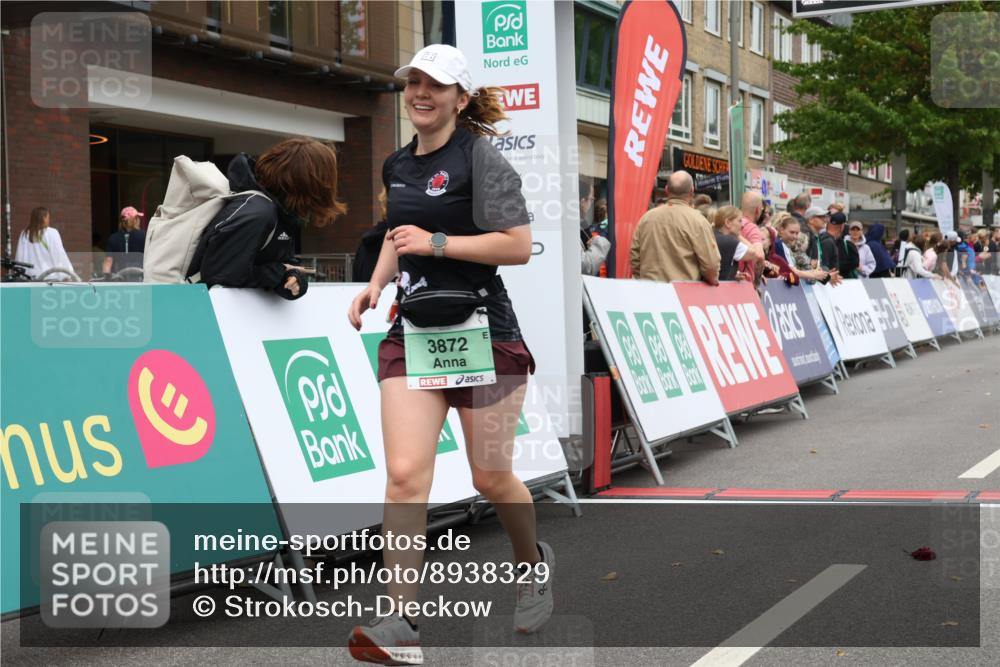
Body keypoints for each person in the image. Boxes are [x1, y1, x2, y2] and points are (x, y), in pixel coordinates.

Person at [346, 44, 551, 665]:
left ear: (461, 99)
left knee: (490, 475)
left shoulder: (482, 159)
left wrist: (438, 243)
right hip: (414, 332)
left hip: (484, 328)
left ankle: (531, 564)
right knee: (407, 475)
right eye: (412, 84)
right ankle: (401, 625)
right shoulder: (396, 164)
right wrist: (378, 281)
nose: (419, 94)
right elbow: (395, 233)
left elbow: (517, 246)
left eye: (435, 86)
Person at [187, 137, 344, 299]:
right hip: (199, 312)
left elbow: (278, 264)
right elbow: (220, 276)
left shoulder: (279, 212)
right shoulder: (258, 212)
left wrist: (294, 279)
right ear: (309, 181)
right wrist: (278, 272)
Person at [630, 170, 720, 284]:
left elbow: (635, 257)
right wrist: (712, 280)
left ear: (667, 190)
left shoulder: (646, 218)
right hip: (683, 294)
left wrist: (644, 279)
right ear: (692, 191)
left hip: (650, 293)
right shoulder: (698, 221)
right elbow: (711, 265)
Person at [770, 212, 833, 284]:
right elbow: (789, 271)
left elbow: (793, 269)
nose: (795, 236)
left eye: (797, 233)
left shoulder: (787, 247)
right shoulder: (778, 244)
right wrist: (812, 274)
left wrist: (814, 272)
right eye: (792, 232)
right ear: (781, 230)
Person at [14, 206, 74, 280]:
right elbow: (59, 255)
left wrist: (20, 275)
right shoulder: (52, 233)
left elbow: (19, 256)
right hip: (49, 277)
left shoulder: (24, 234)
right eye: (48, 217)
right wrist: (68, 273)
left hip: (30, 278)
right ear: (43, 218)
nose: (49, 220)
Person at [804, 206, 842, 285]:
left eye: (825, 217)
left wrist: (826, 275)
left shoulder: (815, 236)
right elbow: (804, 264)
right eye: (821, 217)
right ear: (811, 220)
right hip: (803, 286)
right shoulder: (806, 236)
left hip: (809, 284)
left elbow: (816, 264)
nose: (825, 220)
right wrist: (827, 276)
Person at [579, 178, 610, 275]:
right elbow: (585, 266)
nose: (591, 204)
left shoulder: (582, 225)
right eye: (591, 199)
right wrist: (600, 243)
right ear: (583, 201)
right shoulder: (571, 228)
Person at [103, 206, 146, 274]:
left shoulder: (113, 238)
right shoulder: (144, 236)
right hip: (140, 277)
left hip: (119, 278)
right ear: (135, 219)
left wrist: (106, 277)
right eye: (137, 218)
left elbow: (108, 261)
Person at [713, 205, 749, 281]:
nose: (742, 225)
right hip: (719, 290)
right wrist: (738, 234)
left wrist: (733, 274)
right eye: (739, 221)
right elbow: (758, 255)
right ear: (727, 222)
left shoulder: (713, 235)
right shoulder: (729, 241)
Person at [738, 191, 766, 283]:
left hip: (728, 280)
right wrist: (757, 280)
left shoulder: (730, 224)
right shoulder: (752, 228)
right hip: (745, 283)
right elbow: (759, 256)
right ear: (758, 210)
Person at [823, 210, 860, 279]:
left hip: (822, 284)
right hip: (841, 283)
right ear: (842, 225)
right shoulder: (849, 245)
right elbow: (855, 264)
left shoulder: (818, 240)